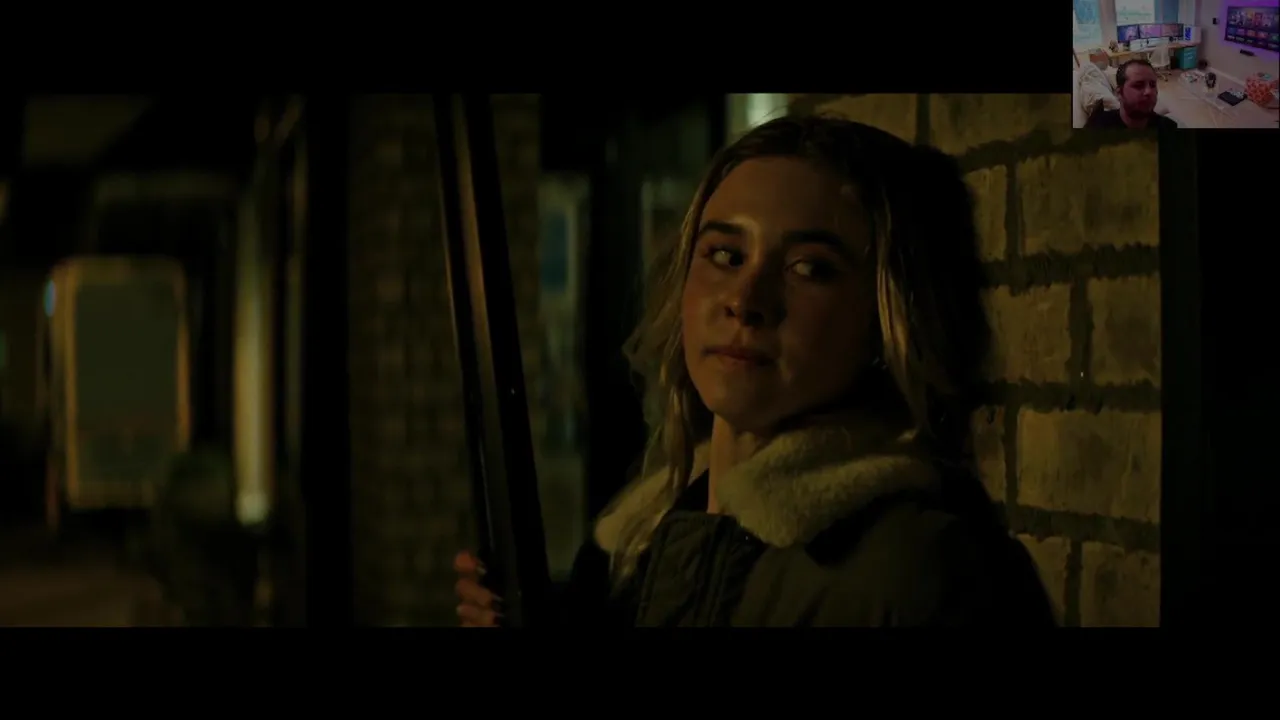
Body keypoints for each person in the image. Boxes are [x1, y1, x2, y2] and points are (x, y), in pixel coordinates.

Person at [455, 114, 1057, 627]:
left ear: (890, 318)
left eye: (809, 267)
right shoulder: (631, 550)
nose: (746, 300)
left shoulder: (926, 572)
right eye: (725, 254)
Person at [1085, 59, 1179, 130]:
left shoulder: (1169, 127)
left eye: (1152, 85)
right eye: (1138, 85)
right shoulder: (1098, 125)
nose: (1149, 91)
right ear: (1119, 93)